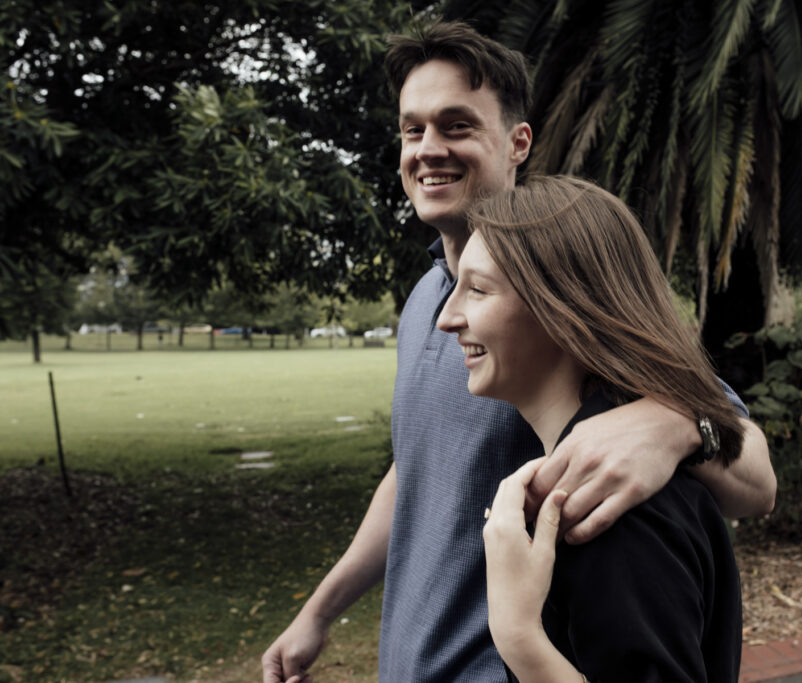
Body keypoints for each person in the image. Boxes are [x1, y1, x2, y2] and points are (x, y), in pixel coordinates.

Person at [261, 22, 774, 683]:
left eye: (455, 125)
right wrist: (320, 610)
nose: (429, 149)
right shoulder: (427, 301)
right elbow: (417, 469)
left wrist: (679, 424)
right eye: (412, 129)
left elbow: (755, 475)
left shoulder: (557, 301)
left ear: (517, 142)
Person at [438, 175, 743, 681]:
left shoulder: (612, 510)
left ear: (562, 308)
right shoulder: (596, 476)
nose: (448, 317)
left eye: (477, 289)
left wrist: (517, 634)